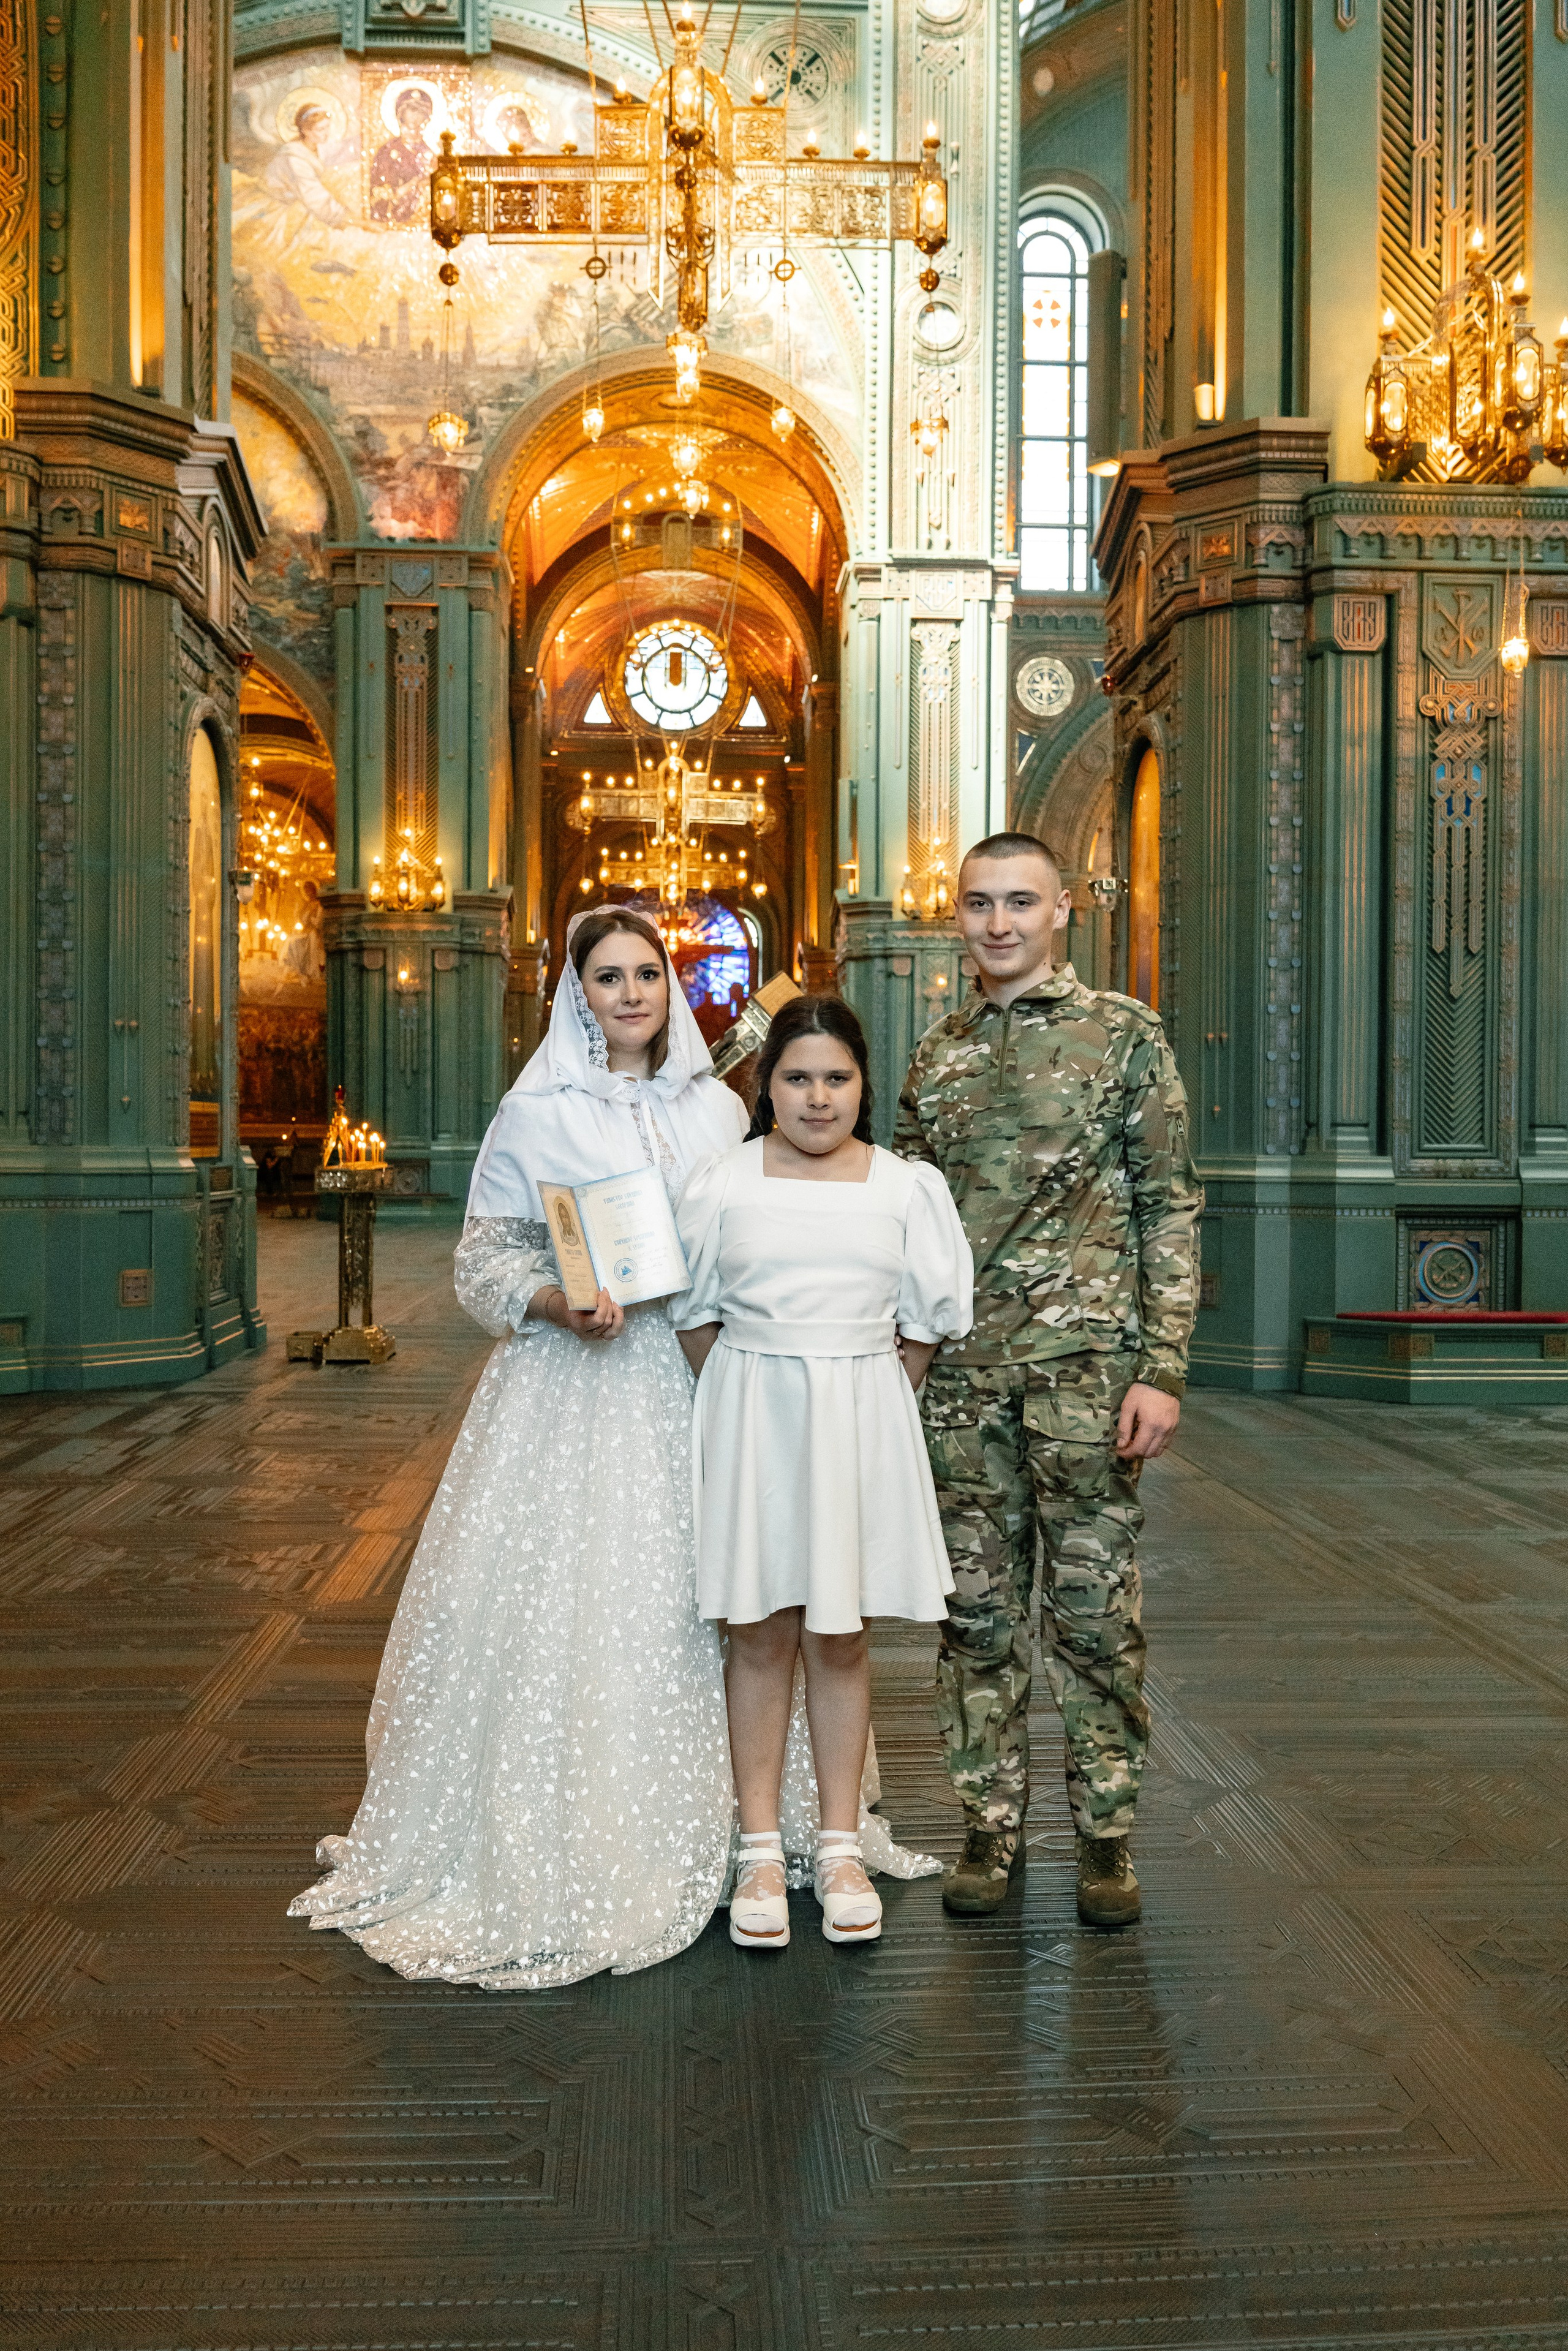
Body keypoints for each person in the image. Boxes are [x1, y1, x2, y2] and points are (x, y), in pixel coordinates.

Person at [288, 908, 748, 1987]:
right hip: (578, 1385)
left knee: (711, 1592)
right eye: (607, 976)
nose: (631, 993)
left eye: (647, 973)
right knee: (583, 1597)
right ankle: (571, 1830)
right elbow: (481, 1264)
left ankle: (747, 1827)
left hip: (700, 1370)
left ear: (670, 987)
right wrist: (555, 1298)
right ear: (574, 992)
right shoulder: (534, 1111)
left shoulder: (720, 1108)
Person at [894, 833, 1201, 1928]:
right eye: (979, 904)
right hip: (962, 1385)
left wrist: (1161, 1368)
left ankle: (1107, 1839)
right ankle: (989, 1826)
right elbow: (904, 1230)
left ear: (1062, 907)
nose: (999, 923)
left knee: (1091, 1616)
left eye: (1020, 902)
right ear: (959, 915)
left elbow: (1168, 1201)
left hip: (1085, 1381)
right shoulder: (935, 1056)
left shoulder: (1124, 1037)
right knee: (974, 1616)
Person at [674, 998, 973, 1950]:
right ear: (766, 1087)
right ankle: (759, 1847)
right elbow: (694, 1312)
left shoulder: (904, 1186)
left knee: (841, 1636)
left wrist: (872, 1396)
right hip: (757, 1408)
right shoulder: (723, 1181)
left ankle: (840, 1847)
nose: (816, 1097)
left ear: (863, 1085)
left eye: (836, 1078)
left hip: (860, 1415)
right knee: (758, 1631)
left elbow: (926, 1319)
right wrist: (748, 1399)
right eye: (796, 1078)